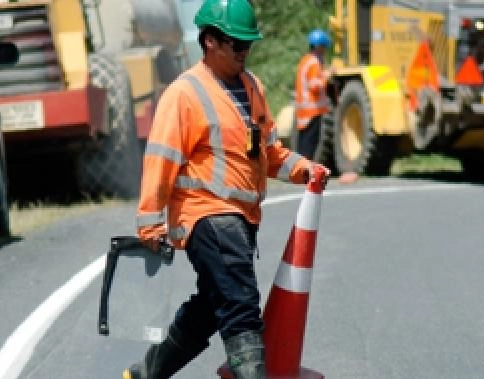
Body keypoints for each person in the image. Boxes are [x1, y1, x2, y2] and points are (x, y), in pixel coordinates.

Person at [125, 0, 329, 378]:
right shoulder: (184, 94)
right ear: (210, 42)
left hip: (240, 218)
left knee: (211, 306)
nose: (244, 53)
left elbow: (267, 152)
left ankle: (144, 374)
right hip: (206, 215)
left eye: (248, 45)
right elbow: (160, 159)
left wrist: (303, 169)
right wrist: (150, 223)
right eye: (236, 45)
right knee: (240, 303)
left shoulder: (252, 87)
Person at [294, 28, 333, 160]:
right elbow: (314, 86)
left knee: (303, 145)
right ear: (319, 46)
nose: (324, 50)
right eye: (324, 47)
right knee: (309, 146)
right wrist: (327, 76)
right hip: (312, 110)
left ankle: (301, 173)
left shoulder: (305, 60)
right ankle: (306, 175)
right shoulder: (314, 62)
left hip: (304, 111)